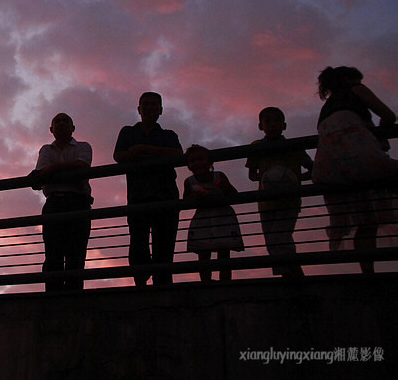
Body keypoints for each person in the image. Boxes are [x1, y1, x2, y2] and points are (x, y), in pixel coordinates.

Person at [312, 66, 398, 274]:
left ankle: (367, 272)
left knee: (365, 219)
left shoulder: (327, 108)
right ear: (348, 80)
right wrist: (380, 134)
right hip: (358, 155)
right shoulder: (356, 89)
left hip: (328, 166)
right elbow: (388, 115)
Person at [113, 92, 183, 286]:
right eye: (146, 105)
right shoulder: (128, 132)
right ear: (139, 109)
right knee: (138, 245)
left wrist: (144, 149)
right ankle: (141, 286)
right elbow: (119, 155)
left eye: (154, 105)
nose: (150, 108)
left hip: (166, 196)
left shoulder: (169, 135)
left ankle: (163, 286)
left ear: (161, 110)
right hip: (138, 197)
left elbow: (178, 155)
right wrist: (155, 155)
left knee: (164, 246)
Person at [28, 113, 93, 291]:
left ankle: (74, 297)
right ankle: (53, 297)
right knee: (53, 254)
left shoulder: (84, 146)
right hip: (54, 204)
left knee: (76, 254)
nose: (62, 123)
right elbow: (42, 174)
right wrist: (63, 172)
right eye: (57, 121)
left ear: (73, 128)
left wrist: (53, 169)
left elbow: (82, 167)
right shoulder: (46, 150)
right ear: (51, 129)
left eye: (66, 121)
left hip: (77, 203)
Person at [244, 107, 312, 278]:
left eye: (277, 121)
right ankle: (289, 277)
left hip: (289, 201)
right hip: (266, 202)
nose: (273, 124)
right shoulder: (256, 147)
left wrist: (293, 179)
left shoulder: (294, 147)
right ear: (261, 126)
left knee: (279, 238)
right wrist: (269, 178)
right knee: (273, 243)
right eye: (268, 121)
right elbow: (252, 175)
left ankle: (297, 279)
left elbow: (312, 168)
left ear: (284, 125)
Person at [183, 145, 244, 282]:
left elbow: (234, 194)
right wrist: (194, 197)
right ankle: (206, 281)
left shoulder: (219, 176)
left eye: (200, 159)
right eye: (192, 161)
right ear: (188, 165)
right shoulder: (189, 182)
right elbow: (185, 202)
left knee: (223, 253)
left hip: (222, 218)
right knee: (203, 253)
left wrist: (225, 188)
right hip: (203, 220)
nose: (197, 163)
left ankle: (225, 282)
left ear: (210, 162)